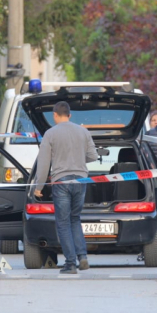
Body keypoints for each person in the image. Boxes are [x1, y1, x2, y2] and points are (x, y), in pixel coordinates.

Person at [31, 101, 98, 274]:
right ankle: (82, 256)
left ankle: (70, 263)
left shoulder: (50, 134)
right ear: (70, 115)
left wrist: (39, 186)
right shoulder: (83, 131)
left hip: (61, 182)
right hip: (81, 180)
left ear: (54, 115)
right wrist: (77, 160)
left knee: (63, 222)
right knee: (75, 219)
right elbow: (93, 156)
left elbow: (44, 162)